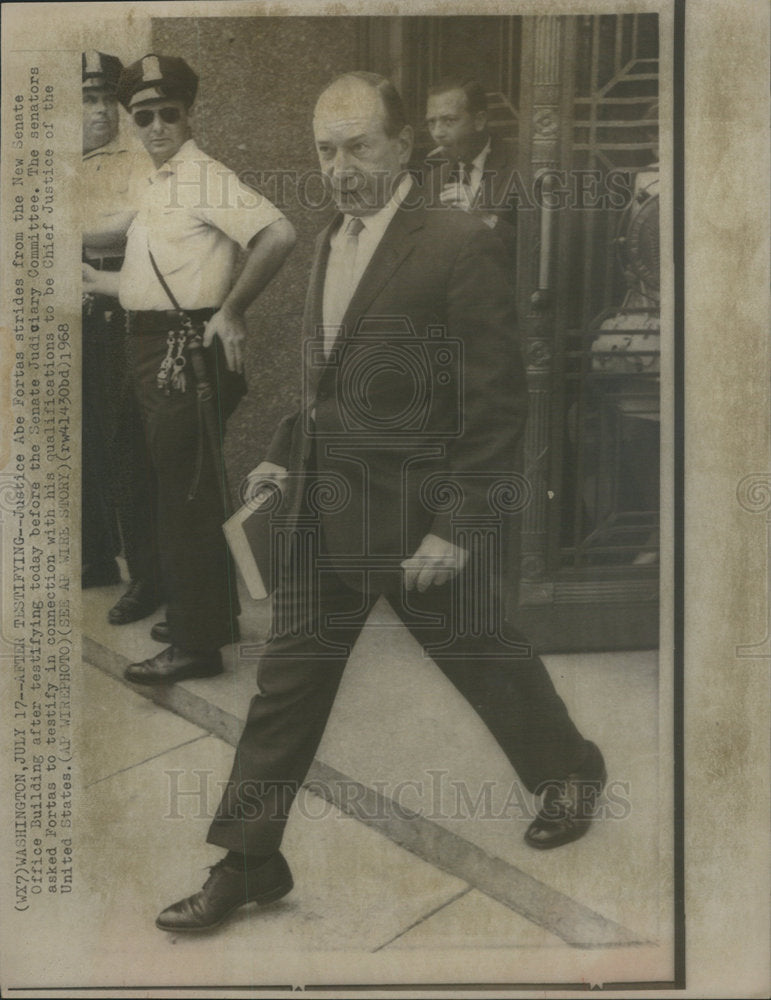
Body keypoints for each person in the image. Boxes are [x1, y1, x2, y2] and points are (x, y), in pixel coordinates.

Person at [155, 72, 606, 934]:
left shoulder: (459, 242)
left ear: (404, 146)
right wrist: (286, 460)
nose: (340, 167)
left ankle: (571, 768)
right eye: (325, 150)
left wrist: (457, 528)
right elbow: (325, 384)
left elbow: (496, 403)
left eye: (358, 146)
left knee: (482, 656)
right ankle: (249, 860)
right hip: (328, 512)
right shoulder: (331, 239)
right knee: (285, 688)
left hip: (419, 521)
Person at [83, 53, 295, 683]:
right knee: (182, 490)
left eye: (167, 113)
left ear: (187, 113)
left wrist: (232, 311)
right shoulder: (162, 181)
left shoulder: (202, 176)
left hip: (184, 351)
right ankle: (210, 617)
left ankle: (197, 646)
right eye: (142, 116)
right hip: (156, 344)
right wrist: (99, 279)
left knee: (185, 498)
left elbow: (278, 234)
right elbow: (151, 276)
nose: (154, 126)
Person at [81, 50, 161, 627]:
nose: (100, 112)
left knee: (126, 446)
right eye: (87, 99)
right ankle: (94, 558)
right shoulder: (63, 161)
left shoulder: (135, 159)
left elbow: (120, 226)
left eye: (107, 99)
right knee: (82, 441)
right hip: (74, 312)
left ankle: (145, 576)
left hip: (118, 313)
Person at [424, 76, 518, 257]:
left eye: (449, 121)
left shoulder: (521, 167)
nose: (437, 133)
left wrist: (484, 218)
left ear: (479, 121)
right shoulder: (435, 178)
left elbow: (537, 251)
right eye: (431, 122)